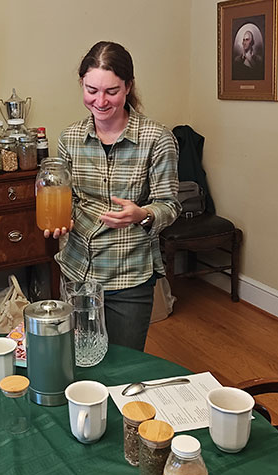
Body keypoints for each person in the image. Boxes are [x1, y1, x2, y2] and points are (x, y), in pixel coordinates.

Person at [48, 41, 180, 352]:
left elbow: (170, 205)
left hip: (128, 275)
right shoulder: (70, 138)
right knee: (78, 359)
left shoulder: (157, 140)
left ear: (128, 86)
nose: (100, 101)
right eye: (92, 90)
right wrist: (60, 220)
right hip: (76, 270)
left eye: (112, 91)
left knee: (123, 365)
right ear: (82, 83)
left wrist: (142, 214)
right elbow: (65, 199)